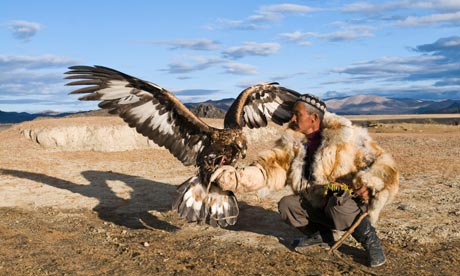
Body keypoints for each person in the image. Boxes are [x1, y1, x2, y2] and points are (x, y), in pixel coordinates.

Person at [210, 93, 399, 268]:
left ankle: (372, 243)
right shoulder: (292, 142)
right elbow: (271, 167)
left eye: (296, 114)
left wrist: (370, 183)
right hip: (318, 201)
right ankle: (323, 235)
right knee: (288, 205)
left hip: (349, 203)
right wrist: (237, 177)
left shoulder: (349, 138)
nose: (291, 119)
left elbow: (386, 164)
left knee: (338, 204)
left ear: (314, 118)